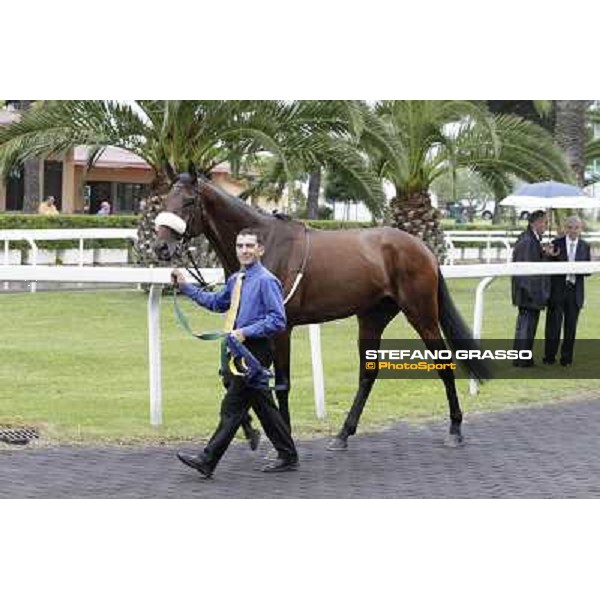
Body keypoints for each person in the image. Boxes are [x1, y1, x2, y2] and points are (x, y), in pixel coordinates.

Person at [172, 227, 298, 478]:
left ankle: (207, 460)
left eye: (249, 246)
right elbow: (217, 303)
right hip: (237, 350)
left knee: (232, 406)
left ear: (260, 249)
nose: (244, 250)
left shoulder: (266, 281)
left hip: (256, 350)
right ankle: (288, 453)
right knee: (263, 406)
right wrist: (186, 287)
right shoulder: (236, 279)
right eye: (240, 246)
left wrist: (246, 331)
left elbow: (278, 320)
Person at [543, 216, 591, 366]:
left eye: (576, 227)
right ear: (565, 228)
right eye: (570, 227)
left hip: (574, 291)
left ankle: (566, 358)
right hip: (558, 290)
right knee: (553, 326)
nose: (573, 230)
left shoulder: (585, 246)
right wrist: (549, 255)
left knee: (571, 327)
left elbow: (588, 271)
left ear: (580, 229)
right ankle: (550, 356)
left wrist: (577, 268)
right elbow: (547, 265)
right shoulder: (556, 243)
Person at [511, 210, 556, 367]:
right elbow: (526, 271)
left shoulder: (532, 240)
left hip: (530, 292)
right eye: (544, 222)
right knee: (526, 326)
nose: (546, 225)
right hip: (528, 293)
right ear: (535, 223)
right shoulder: (527, 241)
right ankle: (522, 359)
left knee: (528, 326)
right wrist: (533, 294)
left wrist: (546, 254)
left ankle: (523, 358)